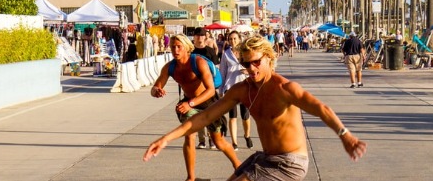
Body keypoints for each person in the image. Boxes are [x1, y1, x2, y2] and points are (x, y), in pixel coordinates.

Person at [144, 36, 366, 180]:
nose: (251, 68)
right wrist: (165, 139)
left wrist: (345, 135)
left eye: (256, 62)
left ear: (269, 58)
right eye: (246, 64)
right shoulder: (243, 90)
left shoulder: (285, 88)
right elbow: (204, 117)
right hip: (265, 158)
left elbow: (321, 108)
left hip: (290, 164)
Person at [148, 34, 240, 181]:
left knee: (218, 141)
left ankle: (238, 166)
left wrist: (190, 103)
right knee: (189, 136)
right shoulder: (170, 67)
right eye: (173, 47)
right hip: (189, 104)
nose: (176, 50)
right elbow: (156, 86)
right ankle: (191, 178)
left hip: (209, 103)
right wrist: (156, 91)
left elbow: (210, 90)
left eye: (179, 47)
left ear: (186, 47)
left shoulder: (198, 62)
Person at [219, 31, 254, 150]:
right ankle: (234, 142)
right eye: (230, 39)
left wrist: (247, 71)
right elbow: (222, 72)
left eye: (234, 38)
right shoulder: (226, 54)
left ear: (239, 39)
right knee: (232, 116)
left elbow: (254, 67)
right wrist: (221, 89)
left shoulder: (246, 52)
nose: (232, 41)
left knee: (245, 116)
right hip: (231, 87)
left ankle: (247, 135)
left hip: (245, 86)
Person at [191, 27, 220, 149]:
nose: (199, 38)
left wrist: (215, 86)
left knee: (210, 113)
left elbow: (216, 68)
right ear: (194, 37)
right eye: (197, 35)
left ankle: (212, 139)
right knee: (197, 114)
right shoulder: (190, 52)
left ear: (205, 37)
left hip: (209, 87)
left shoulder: (210, 51)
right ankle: (202, 140)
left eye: (201, 35)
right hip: (194, 87)